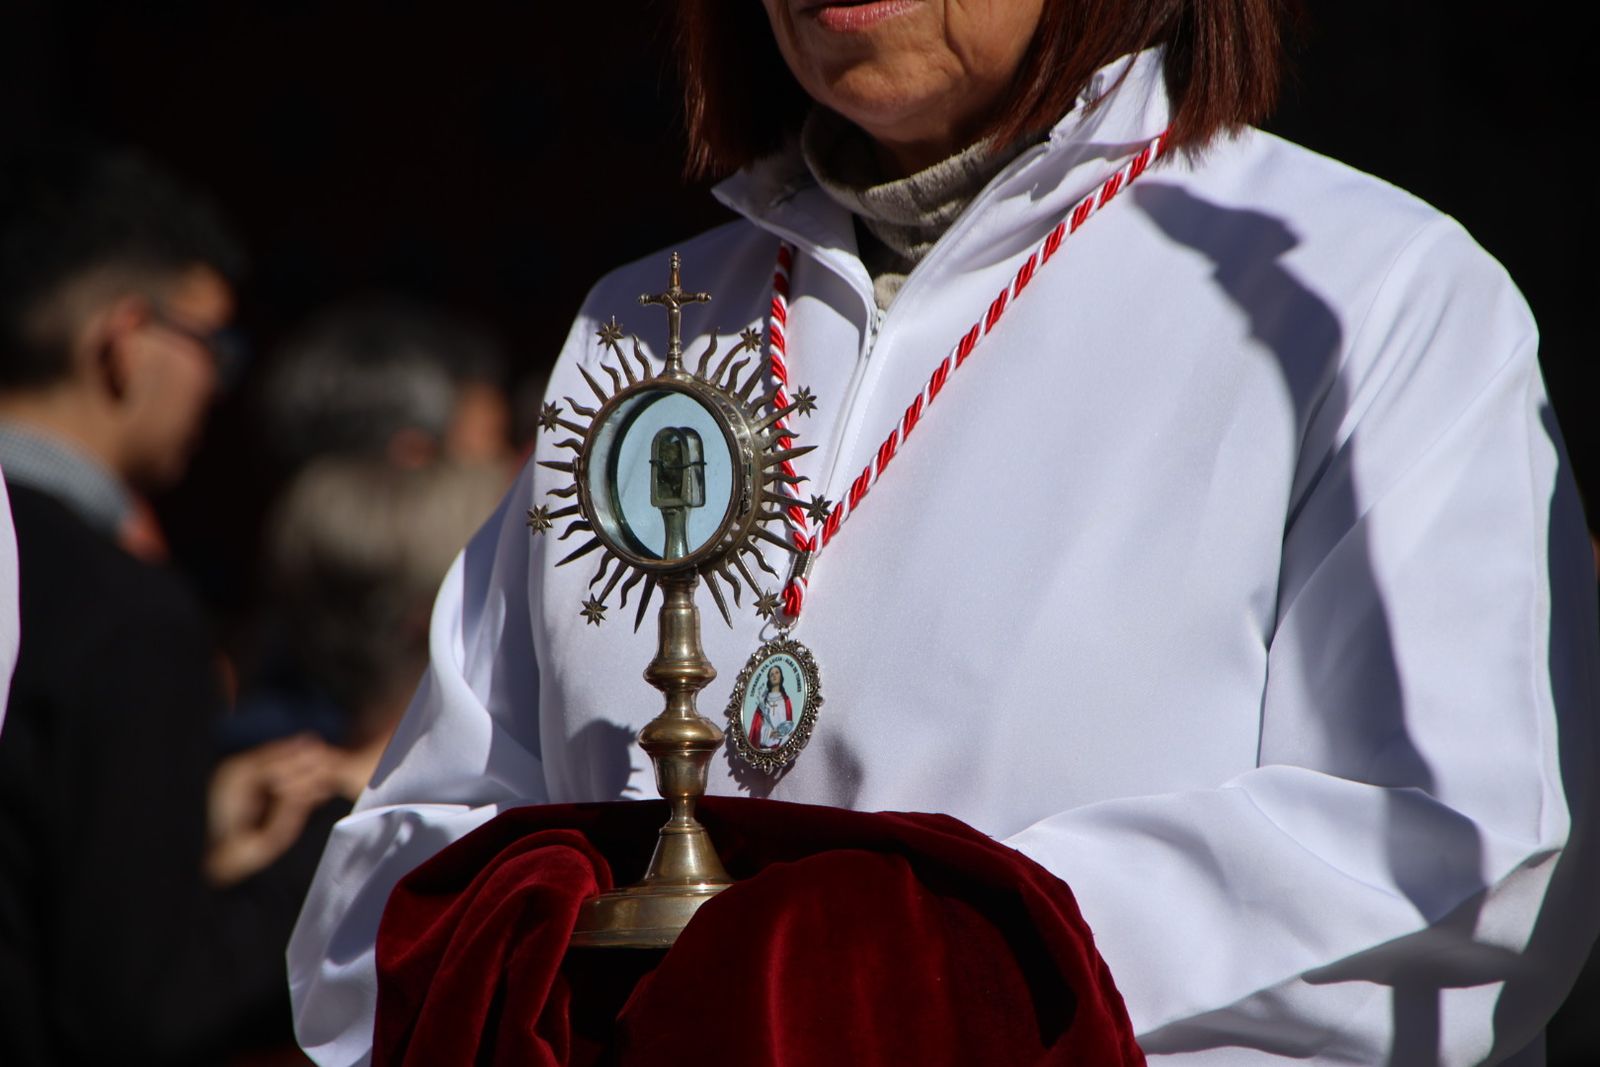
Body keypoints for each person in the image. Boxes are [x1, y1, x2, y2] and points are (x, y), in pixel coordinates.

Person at [290, 2, 1600, 1063]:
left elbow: (1466, 855)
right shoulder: (644, 325)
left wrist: (911, 963)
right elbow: (381, 893)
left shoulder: (1365, 294)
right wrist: (553, 959)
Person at [0, 140, 344, 1064]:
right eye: (210, 342)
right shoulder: (120, 613)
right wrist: (329, 855)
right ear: (121, 338)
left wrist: (188, 826)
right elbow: (139, 1009)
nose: (216, 383)